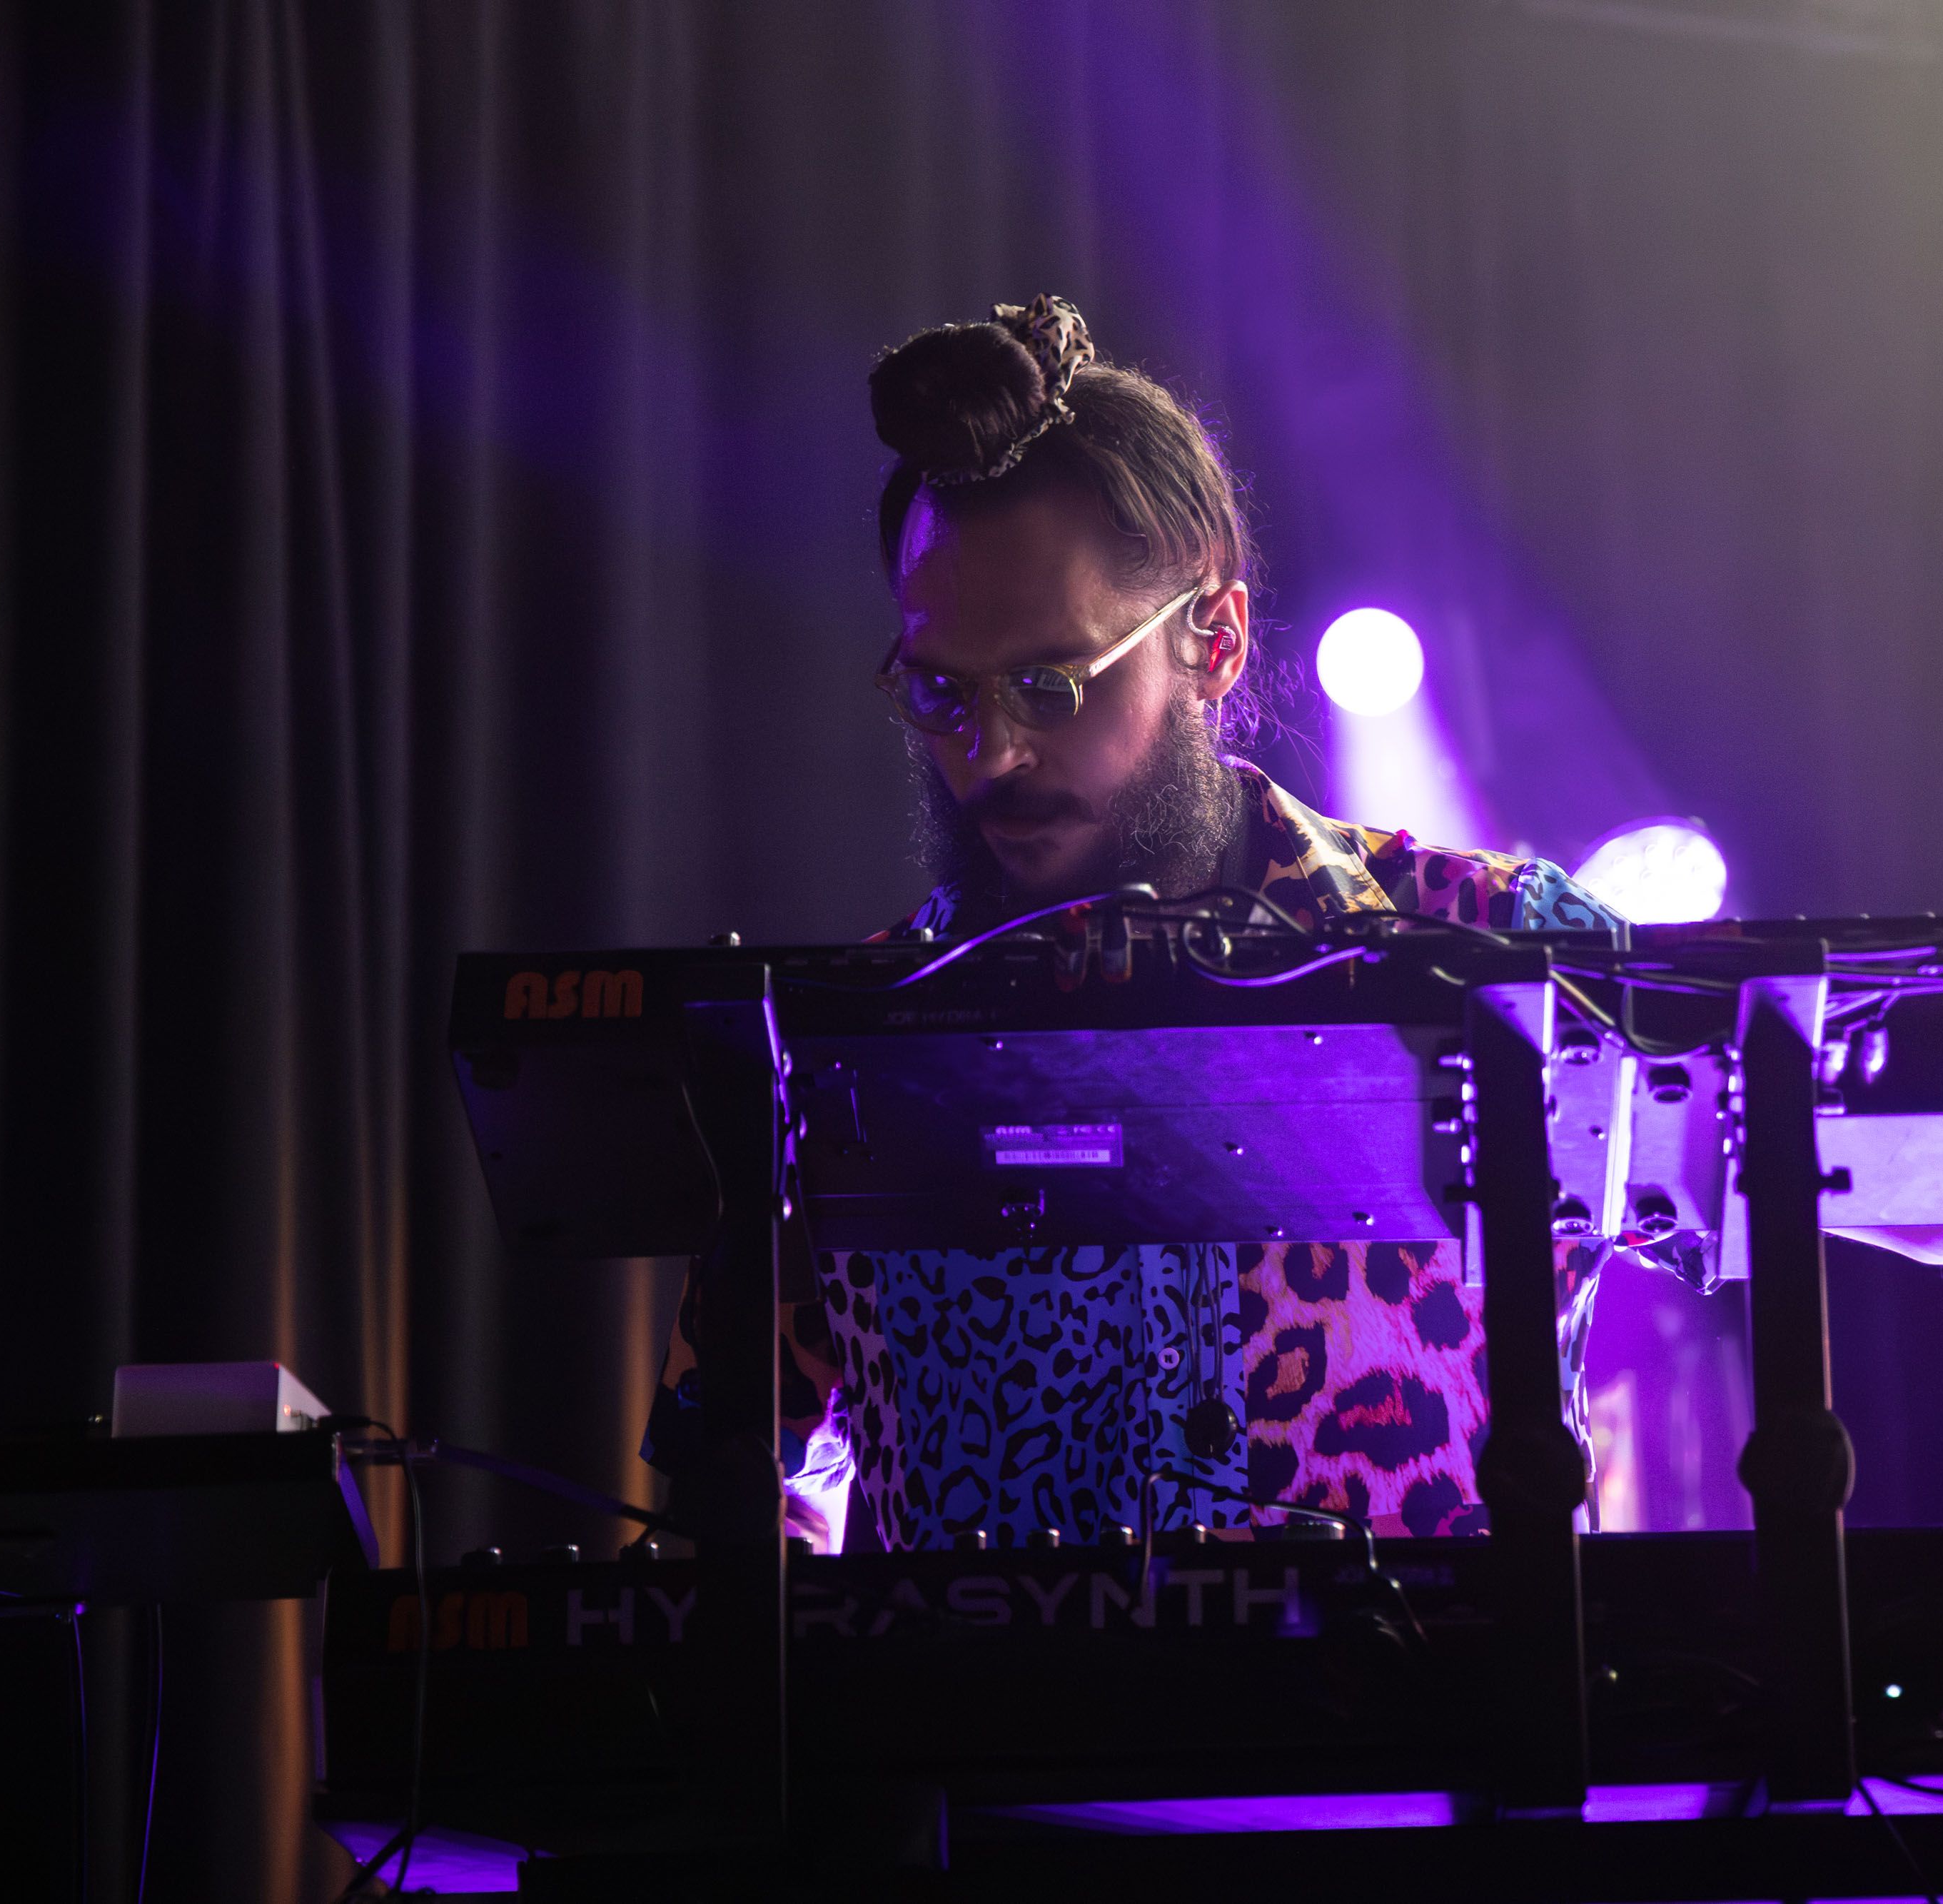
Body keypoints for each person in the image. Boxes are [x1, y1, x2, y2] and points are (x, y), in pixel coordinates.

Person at [644, 296, 1625, 1553]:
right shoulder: (832, 1041)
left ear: (1214, 643)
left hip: (1432, 1692)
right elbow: (727, 1510)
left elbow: (1875, 1202)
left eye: (1049, 685)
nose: (991, 751)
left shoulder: (1499, 946)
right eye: (941, 692)